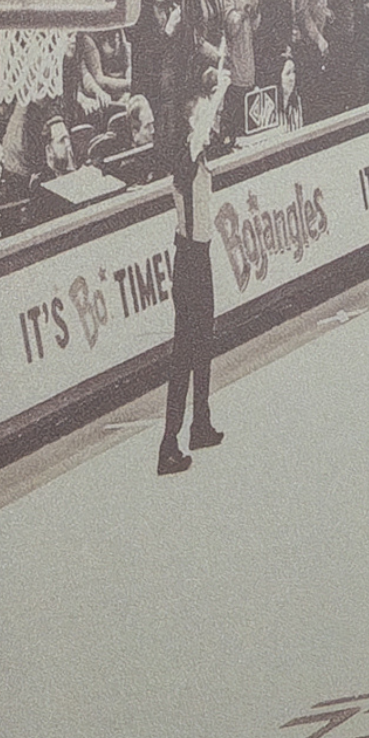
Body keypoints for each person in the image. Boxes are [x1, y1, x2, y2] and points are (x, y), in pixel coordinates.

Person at [157, 83, 231, 475]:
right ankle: (167, 443)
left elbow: (212, 134)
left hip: (200, 258)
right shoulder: (184, 156)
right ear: (190, 120)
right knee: (184, 354)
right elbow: (202, 128)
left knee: (205, 343)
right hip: (188, 262)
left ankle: (199, 422)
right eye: (203, 112)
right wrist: (219, 87)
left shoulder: (199, 157)